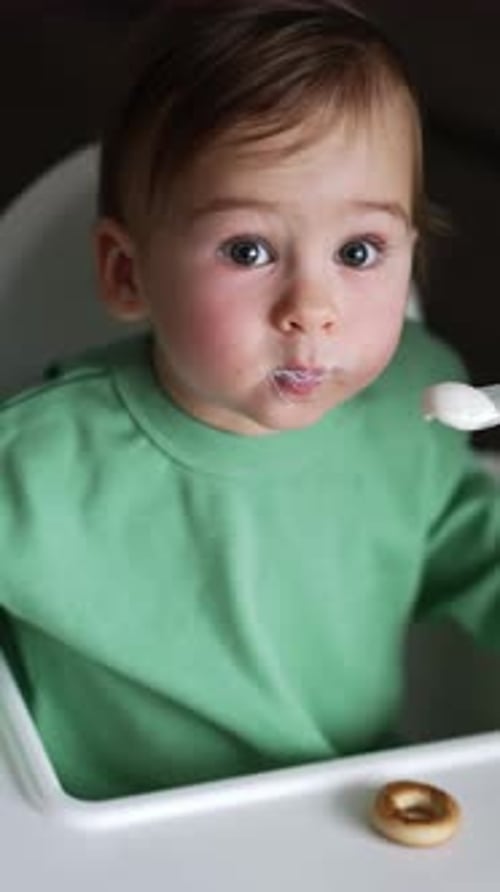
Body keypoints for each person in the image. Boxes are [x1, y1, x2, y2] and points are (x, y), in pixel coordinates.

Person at [0, 0, 498, 801]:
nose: (312, 305)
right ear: (129, 276)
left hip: (353, 810)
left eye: (359, 251)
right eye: (249, 249)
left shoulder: (417, 408)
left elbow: (475, 555)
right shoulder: (34, 464)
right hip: (123, 848)